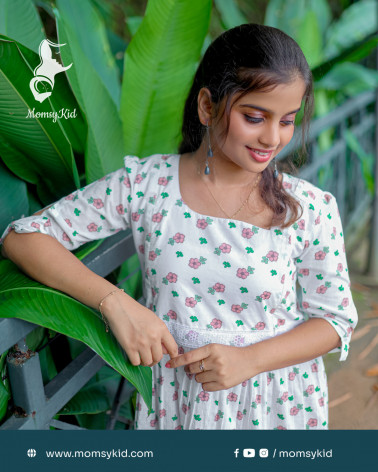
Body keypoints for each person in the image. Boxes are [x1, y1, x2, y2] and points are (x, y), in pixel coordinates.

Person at [0, 23, 358, 430]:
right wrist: (115, 303)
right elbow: (23, 238)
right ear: (207, 106)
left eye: (288, 120)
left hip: (274, 404)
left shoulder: (309, 207)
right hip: (176, 405)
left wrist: (248, 360)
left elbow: (335, 320)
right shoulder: (147, 186)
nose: (273, 138)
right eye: (255, 117)